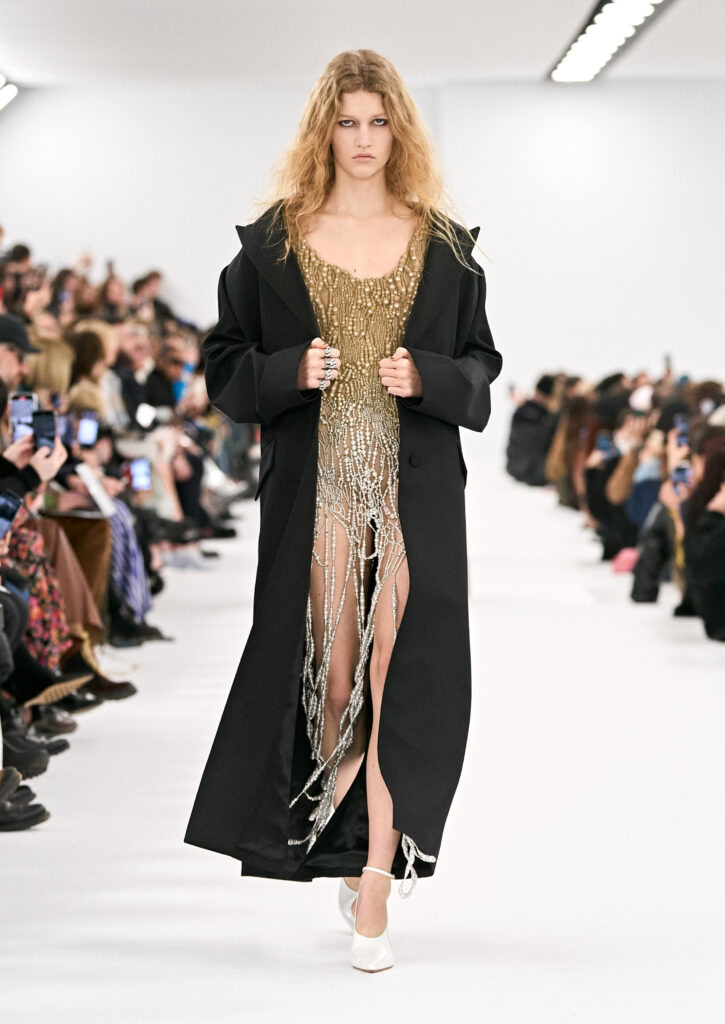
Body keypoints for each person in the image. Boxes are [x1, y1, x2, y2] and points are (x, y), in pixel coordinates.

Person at [184, 48, 503, 973]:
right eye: (347, 122)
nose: (363, 139)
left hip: (414, 496)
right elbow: (223, 368)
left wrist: (429, 377)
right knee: (331, 684)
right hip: (314, 495)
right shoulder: (272, 245)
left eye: (378, 122)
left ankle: (373, 886)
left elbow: (481, 368)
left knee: (401, 678)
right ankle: (344, 830)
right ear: (323, 131)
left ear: (399, 132)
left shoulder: (444, 247)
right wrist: (287, 370)